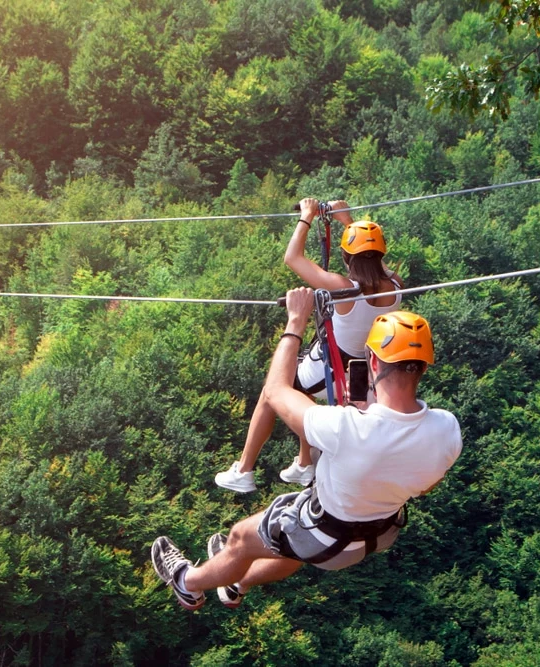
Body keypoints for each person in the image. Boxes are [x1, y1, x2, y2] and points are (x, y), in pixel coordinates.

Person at [152, 288, 462, 610]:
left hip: (325, 535)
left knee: (240, 539)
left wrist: (296, 321)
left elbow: (275, 391)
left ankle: (187, 584)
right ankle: (237, 583)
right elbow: (426, 485)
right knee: (291, 546)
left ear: (372, 360)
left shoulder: (345, 427)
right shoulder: (447, 430)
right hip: (377, 535)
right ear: (424, 367)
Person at [215, 198, 404, 493]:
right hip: (364, 371)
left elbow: (292, 258)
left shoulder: (343, 288)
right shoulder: (396, 285)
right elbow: (375, 261)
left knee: (272, 391)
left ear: (346, 256)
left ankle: (244, 470)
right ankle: (305, 463)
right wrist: (347, 220)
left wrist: (306, 217)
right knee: (303, 392)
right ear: (380, 254)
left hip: (333, 367)